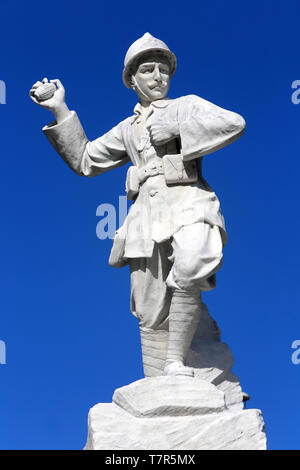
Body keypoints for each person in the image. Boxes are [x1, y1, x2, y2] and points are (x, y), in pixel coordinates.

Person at [30, 33, 246, 377]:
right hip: (146, 214)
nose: (158, 76)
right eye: (148, 70)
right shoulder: (126, 129)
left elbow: (233, 124)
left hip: (189, 198)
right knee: (149, 305)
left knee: (191, 264)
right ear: (132, 80)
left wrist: (177, 127)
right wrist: (59, 108)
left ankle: (176, 361)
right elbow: (85, 160)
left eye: (163, 69)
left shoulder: (185, 105)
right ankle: (159, 379)